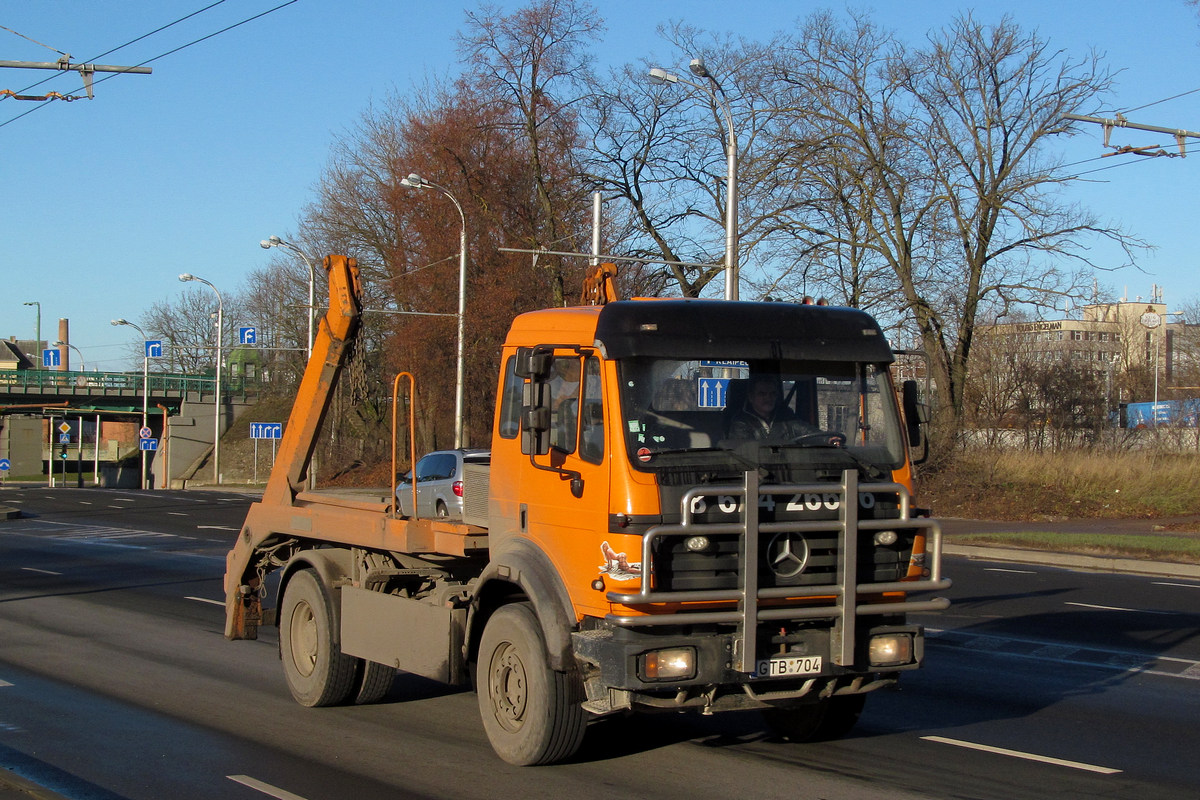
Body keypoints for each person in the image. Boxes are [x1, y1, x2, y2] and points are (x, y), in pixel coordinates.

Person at [727, 375, 819, 441]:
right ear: (751, 397)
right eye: (762, 394)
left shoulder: (786, 417)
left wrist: (828, 439)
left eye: (773, 394)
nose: (768, 398)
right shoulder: (740, 422)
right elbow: (746, 452)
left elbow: (806, 431)